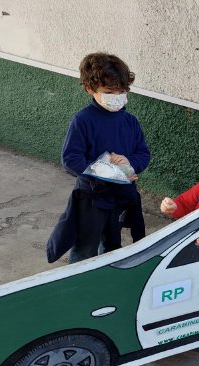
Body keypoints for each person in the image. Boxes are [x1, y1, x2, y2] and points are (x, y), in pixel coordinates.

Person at [61, 52, 150, 263]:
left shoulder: (130, 121)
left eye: (122, 91)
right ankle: (79, 280)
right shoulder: (82, 121)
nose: (117, 96)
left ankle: (107, 276)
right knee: (85, 247)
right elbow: (71, 159)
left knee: (112, 245)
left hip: (119, 197)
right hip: (91, 197)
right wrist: (106, 172)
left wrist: (129, 163)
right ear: (89, 89)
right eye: (109, 92)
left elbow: (143, 153)